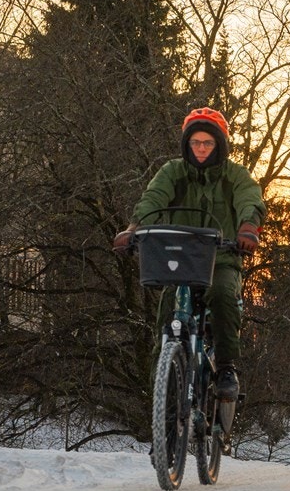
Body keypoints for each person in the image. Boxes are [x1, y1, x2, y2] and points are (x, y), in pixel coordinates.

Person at [113, 107, 265, 400]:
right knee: (167, 313)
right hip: (179, 261)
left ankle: (226, 367)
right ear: (187, 144)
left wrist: (248, 228)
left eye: (208, 142)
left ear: (220, 144)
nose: (201, 148)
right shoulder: (172, 172)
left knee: (222, 295)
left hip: (220, 259)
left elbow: (250, 199)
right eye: (195, 142)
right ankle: (162, 394)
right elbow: (153, 198)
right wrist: (134, 229)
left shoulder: (235, 175)